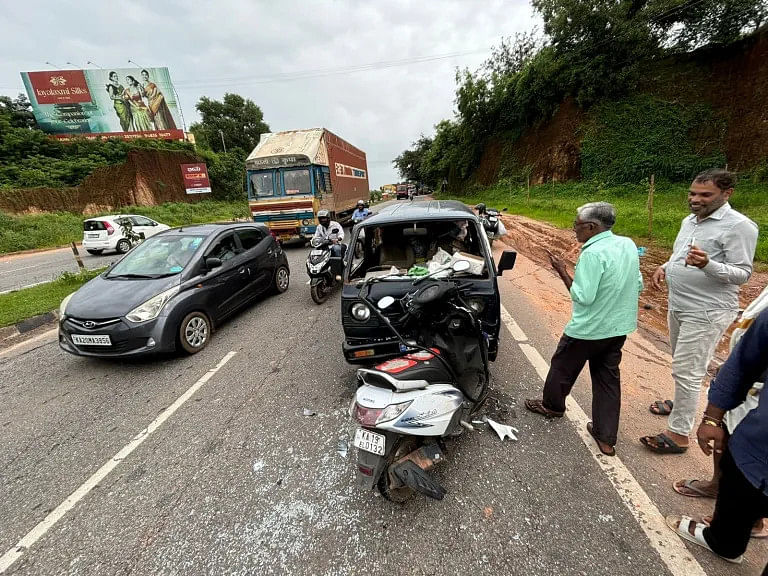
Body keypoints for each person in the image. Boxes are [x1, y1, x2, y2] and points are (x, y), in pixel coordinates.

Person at [642, 169, 759, 454]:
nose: (695, 199)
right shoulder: (689, 221)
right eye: (693, 193)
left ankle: (679, 433)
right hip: (679, 303)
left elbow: (743, 273)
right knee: (681, 363)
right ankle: (680, 403)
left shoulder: (740, 226)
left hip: (707, 310)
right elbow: (680, 252)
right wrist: (665, 267)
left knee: (689, 370)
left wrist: (708, 265)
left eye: (705, 195)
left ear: (726, 193)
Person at [525, 202, 643, 456]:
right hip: (617, 327)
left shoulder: (591, 253)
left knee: (562, 367)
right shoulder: (628, 245)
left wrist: (562, 271)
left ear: (591, 227)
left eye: (576, 225)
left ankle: (552, 406)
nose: (574, 229)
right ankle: (606, 437)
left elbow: (583, 297)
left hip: (588, 330)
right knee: (607, 379)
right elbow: (638, 283)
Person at [665, 307, 768, 564]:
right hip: (756, 447)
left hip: (755, 449)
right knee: (736, 485)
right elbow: (744, 362)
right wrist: (713, 417)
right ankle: (724, 541)